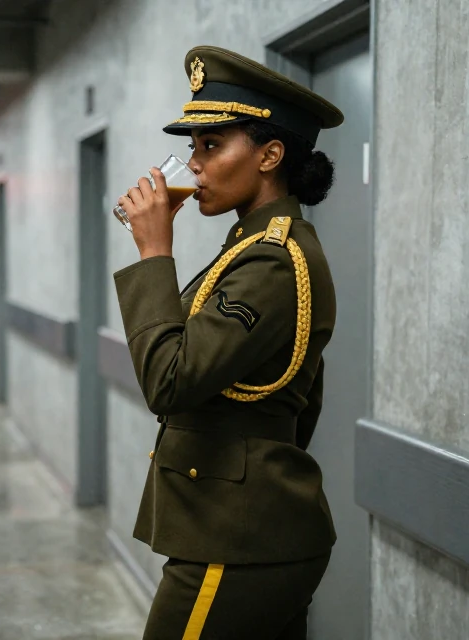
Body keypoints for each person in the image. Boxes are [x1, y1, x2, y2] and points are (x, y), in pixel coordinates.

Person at [112, 46, 342, 639]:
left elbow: (169, 382)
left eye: (211, 146)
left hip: (236, 538)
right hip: (246, 527)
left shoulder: (273, 260)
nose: (193, 166)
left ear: (269, 155)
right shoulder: (251, 248)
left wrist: (154, 252)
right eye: (193, 148)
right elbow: (302, 398)